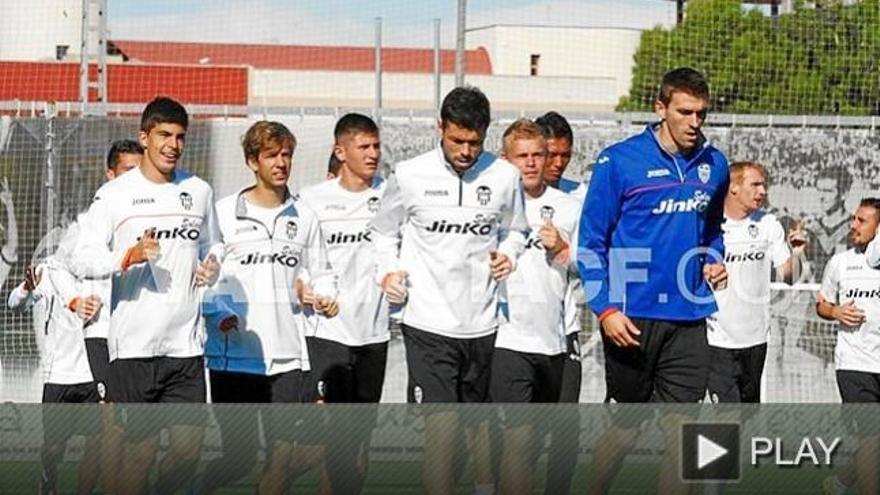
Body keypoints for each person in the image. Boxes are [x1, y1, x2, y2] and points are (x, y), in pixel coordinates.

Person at [370, 86, 528, 494]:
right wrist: (389, 272)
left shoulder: (505, 176)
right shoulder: (409, 175)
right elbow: (383, 233)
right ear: (440, 128)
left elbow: (516, 230)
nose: (465, 150)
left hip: (482, 324)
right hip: (427, 324)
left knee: (476, 432)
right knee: (441, 431)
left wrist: (509, 253)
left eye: (474, 142)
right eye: (457, 140)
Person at [578, 67, 729, 495]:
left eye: (702, 113)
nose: (695, 123)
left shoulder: (715, 165)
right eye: (685, 112)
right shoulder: (619, 161)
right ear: (660, 108)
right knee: (627, 429)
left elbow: (713, 230)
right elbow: (591, 242)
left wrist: (713, 259)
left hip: (689, 313)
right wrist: (605, 309)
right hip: (632, 317)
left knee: (682, 433)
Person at [73, 96, 223, 495]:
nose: (172, 145)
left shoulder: (199, 190)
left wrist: (212, 266)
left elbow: (215, 245)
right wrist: (127, 256)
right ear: (144, 138)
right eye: (163, 135)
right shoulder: (116, 194)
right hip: (134, 349)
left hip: (186, 348)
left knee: (188, 452)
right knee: (138, 454)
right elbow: (80, 256)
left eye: (179, 137)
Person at [196, 120, 336, 495]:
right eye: (271, 155)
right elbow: (206, 279)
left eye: (286, 155)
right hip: (234, 356)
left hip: (288, 357)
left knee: (282, 457)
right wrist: (218, 312)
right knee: (238, 459)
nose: (281, 163)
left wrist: (324, 296)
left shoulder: (304, 216)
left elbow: (321, 273)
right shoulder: (224, 214)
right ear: (252, 161)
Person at [298, 113, 389, 494]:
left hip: (373, 333)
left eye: (376, 146)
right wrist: (301, 287)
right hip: (326, 333)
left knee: (357, 445)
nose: (372, 154)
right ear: (341, 151)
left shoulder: (392, 195)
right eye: (363, 146)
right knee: (320, 444)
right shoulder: (312, 200)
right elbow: (294, 260)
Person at [491, 118, 579, 494]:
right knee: (518, 439)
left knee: (551, 441)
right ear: (505, 159)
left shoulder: (569, 207)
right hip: (506, 338)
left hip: (554, 340)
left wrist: (562, 249)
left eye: (538, 155)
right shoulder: (491, 205)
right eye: (522, 156)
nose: (530, 163)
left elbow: (592, 266)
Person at [707, 161, 806, 403]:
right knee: (727, 413)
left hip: (756, 339)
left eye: (764, 185)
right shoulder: (708, 224)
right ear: (733, 188)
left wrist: (797, 253)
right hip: (717, 338)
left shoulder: (768, 224)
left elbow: (789, 277)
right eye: (755, 185)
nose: (763, 191)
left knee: (748, 413)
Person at [8, 255, 102, 495]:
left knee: (97, 442)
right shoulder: (47, 272)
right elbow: (14, 304)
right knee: (54, 448)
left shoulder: (97, 271)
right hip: (58, 377)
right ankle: (47, 479)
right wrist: (25, 289)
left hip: (90, 374)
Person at [535, 110, 584, 495]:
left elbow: (597, 258)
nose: (557, 163)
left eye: (564, 155)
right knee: (516, 433)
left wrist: (569, 250)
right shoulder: (509, 193)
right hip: (512, 333)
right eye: (550, 153)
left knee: (567, 424)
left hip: (565, 327)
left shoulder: (580, 196)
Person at [817, 198, 880, 495]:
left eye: (862, 221)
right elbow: (822, 305)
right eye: (854, 219)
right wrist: (836, 312)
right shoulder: (840, 262)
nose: (853, 225)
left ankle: (840, 483)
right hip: (855, 364)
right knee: (871, 437)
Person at [535, 111, 586, 201]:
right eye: (551, 155)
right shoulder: (514, 195)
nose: (559, 163)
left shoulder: (581, 195)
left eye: (565, 155)